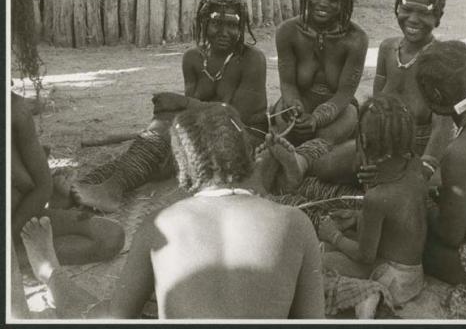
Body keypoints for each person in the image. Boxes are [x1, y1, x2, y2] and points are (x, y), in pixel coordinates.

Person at [21, 103, 325, 319]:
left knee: (101, 312)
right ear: (248, 156)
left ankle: (49, 271)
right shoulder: (296, 223)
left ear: (183, 170)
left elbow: (114, 317)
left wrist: (52, 273)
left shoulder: (161, 225)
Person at [71, 0, 268, 212]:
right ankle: (87, 186)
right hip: (207, 136)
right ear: (203, 23)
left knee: (163, 134)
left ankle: (111, 187)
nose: (224, 32)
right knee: (158, 140)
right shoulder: (193, 59)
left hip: (245, 139)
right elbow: (190, 120)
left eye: (232, 25)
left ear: (241, 27)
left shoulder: (252, 59)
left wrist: (181, 103)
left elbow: (236, 117)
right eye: (216, 23)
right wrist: (175, 112)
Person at [10, 92, 125, 317]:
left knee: (111, 236)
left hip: (18, 218)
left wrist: (16, 230)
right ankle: (19, 259)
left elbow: (42, 186)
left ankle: (25, 259)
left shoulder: (16, 111)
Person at [317, 95, 427, 318]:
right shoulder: (415, 170)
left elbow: (365, 256)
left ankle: (369, 295)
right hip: (414, 275)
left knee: (322, 258)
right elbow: (396, 223)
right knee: (338, 243)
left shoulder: (376, 198)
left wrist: (333, 235)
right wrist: (358, 216)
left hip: (391, 278)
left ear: (364, 143)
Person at [416, 40, 466, 319]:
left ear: (434, 95)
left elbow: (451, 234)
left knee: (414, 241)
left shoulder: (459, 152)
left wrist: (426, 205)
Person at [273, 0, 368, 184]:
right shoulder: (287, 31)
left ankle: (301, 161)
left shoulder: (356, 39)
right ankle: (301, 161)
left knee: (351, 115)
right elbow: (287, 83)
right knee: (281, 116)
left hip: (337, 111)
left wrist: (316, 118)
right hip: (298, 102)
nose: (323, 4)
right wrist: (296, 109)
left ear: (344, 3)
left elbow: (345, 93)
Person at [373, 0, 455, 180]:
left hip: (420, 150)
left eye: (422, 13)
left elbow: (442, 127)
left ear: (437, 17)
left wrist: (423, 171)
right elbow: (375, 107)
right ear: (397, 8)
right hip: (385, 145)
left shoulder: (441, 59)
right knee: (326, 166)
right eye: (407, 10)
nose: (412, 19)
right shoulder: (387, 48)